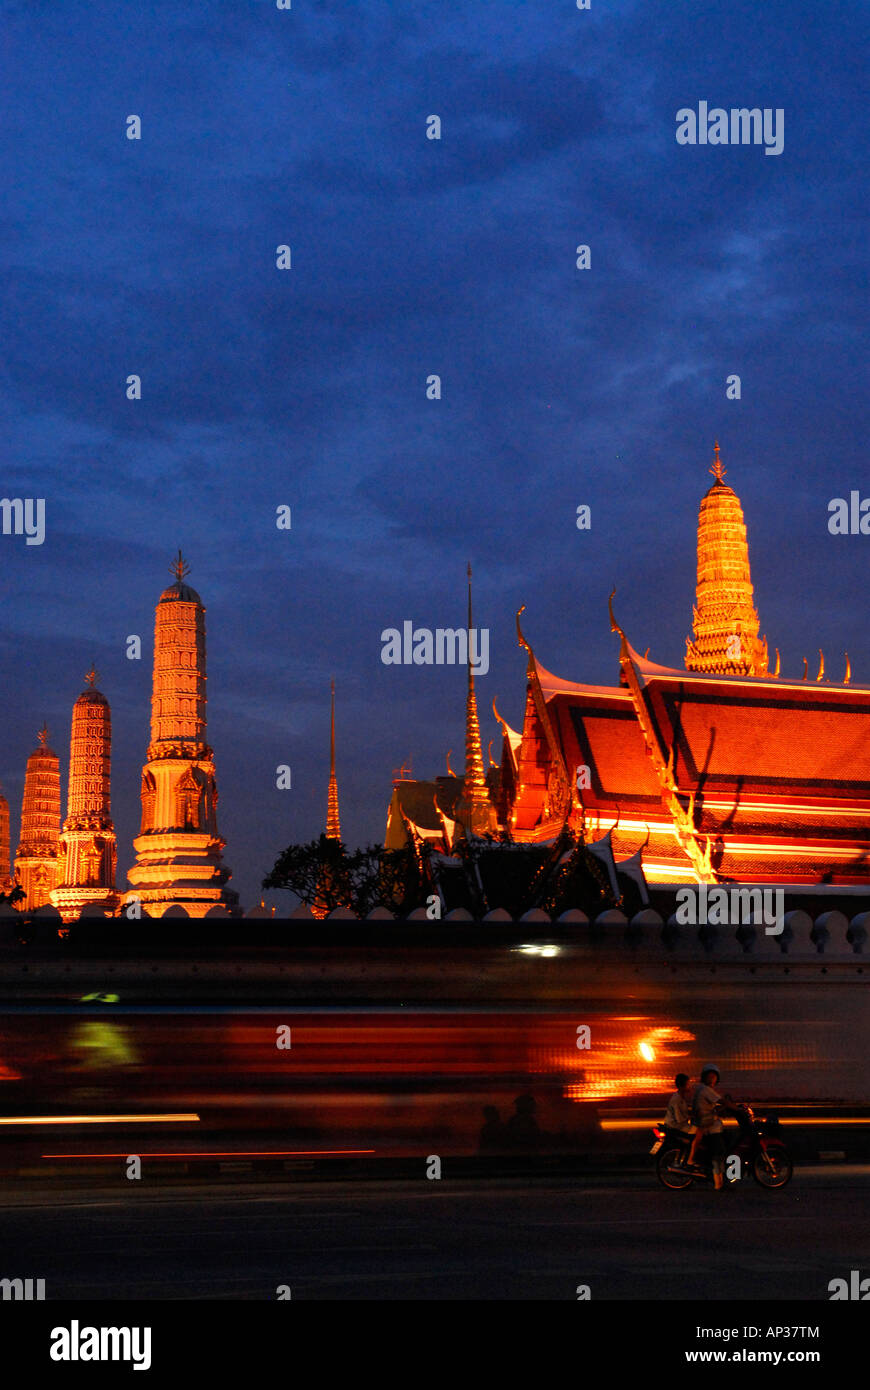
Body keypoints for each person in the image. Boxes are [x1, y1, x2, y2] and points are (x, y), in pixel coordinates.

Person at [686, 1064, 733, 1190]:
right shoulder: (705, 1090)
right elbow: (721, 1101)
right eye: (709, 1076)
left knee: (726, 1142)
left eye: (714, 1076)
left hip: (707, 1123)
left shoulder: (703, 1089)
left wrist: (723, 1108)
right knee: (719, 1153)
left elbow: (712, 1107)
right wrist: (735, 1107)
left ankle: (725, 1178)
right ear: (704, 1077)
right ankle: (719, 1184)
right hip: (708, 1127)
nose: (712, 1078)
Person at [663, 1072, 696, 1153]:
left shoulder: (680, 1097)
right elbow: (680, 1119)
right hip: (676, 1126)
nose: (690, 1086)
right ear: (682, 1086)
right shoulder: (677, 1100)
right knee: (699, 1131)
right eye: (688, 1084)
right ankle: (691, 1156)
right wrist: (692, 1117)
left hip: (677, 1125)